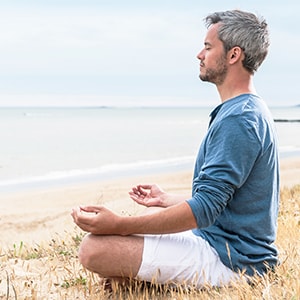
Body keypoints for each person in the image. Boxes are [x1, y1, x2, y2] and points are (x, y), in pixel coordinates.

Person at [71, 9, 279, 287]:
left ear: (233, 55)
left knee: (93, 249)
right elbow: (226, 197)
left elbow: (205, 209)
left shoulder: (239, 119)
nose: (199, 55)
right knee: (151, 215)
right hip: (220, 240)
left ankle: (147, 282)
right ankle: (139, 281)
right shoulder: (246, 109)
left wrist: (118, 224)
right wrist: (166, 199)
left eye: (207, 47)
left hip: (234, 261)